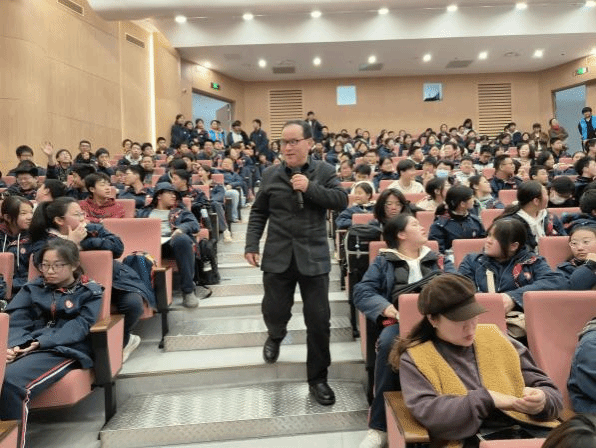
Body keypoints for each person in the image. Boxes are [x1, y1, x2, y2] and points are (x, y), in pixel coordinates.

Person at [390, 273, 562, 447]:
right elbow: (431, 414)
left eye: (473, 316)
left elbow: (550, 391)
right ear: (433, 319)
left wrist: (543, 400)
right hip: (468, 440)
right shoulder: (417, 357)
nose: (470, 327)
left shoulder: (497, 338)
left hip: (526, 432)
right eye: (459, 320)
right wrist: (486, 399)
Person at [244, 120, 348, 406]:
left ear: (309, 143)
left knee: (319, 321)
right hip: (277, 255)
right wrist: (251, 244)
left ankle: (318, 379)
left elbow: (341, 200)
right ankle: (276, 334)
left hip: (313, 257)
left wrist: (310, 187)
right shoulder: (270, 174)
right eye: (283, 142)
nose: (287, 147)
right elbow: (258, 212)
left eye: (293, 142)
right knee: (274, 310)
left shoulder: (324, 171)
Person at [353, 214, 454, 448]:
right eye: (415, 225)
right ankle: (379, 427)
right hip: (400, 322)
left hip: (439, 320)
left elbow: (458, 282)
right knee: (389, 344)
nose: (423, 227)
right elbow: (363, 291)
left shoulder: (437, 259)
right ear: (401, 234)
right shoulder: (384, 261)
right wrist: (387, 308)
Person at [0, 239, 103, 447]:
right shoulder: (32, 288)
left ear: (74, 265)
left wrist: (40, 342)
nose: (49, 271)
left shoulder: (88, 292)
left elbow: (79, 327)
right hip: (25, 345)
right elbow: (16, 319)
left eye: (57, 265)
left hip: (63, 349)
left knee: (10, 380)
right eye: (45, 265)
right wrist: (12, 347)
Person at [458, 218, 565, 312]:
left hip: (518, 321)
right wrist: (489, 302)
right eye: (489, 235)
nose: (488, 241)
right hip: (482, 318)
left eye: (496, 238)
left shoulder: (532, 261)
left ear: (513, 246)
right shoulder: (472, 261)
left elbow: (556, 282)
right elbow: (461, 289)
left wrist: (514, 297)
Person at [137, 183, 209, 307]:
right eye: (169, 193)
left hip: (171, 244)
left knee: (182, 239)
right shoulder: (143, 213)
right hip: (148, 244)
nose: (174, 196)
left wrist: (181, 229)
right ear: (159, 195)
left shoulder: (180, 212)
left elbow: (194, 224)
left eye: (175, 194)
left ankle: (188, 291)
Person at [497, 180, 566, 252]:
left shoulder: (550, 217)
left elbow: (563, 238)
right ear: (536, 201)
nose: (548, 197)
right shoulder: (512, 224)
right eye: (546, 194)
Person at [428, 185, 486, 254]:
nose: (474, 200)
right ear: (462, 204)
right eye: (471, 197)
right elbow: (438, 252)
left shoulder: (475, 220)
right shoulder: (440, 226)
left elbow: (484, 243)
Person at [0, 196, 34, 294]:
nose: (30, 217)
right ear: (7, 217)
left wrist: (10, 284)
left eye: (31, 212)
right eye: (23, 213)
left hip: (25, 289)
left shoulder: (35, 237)